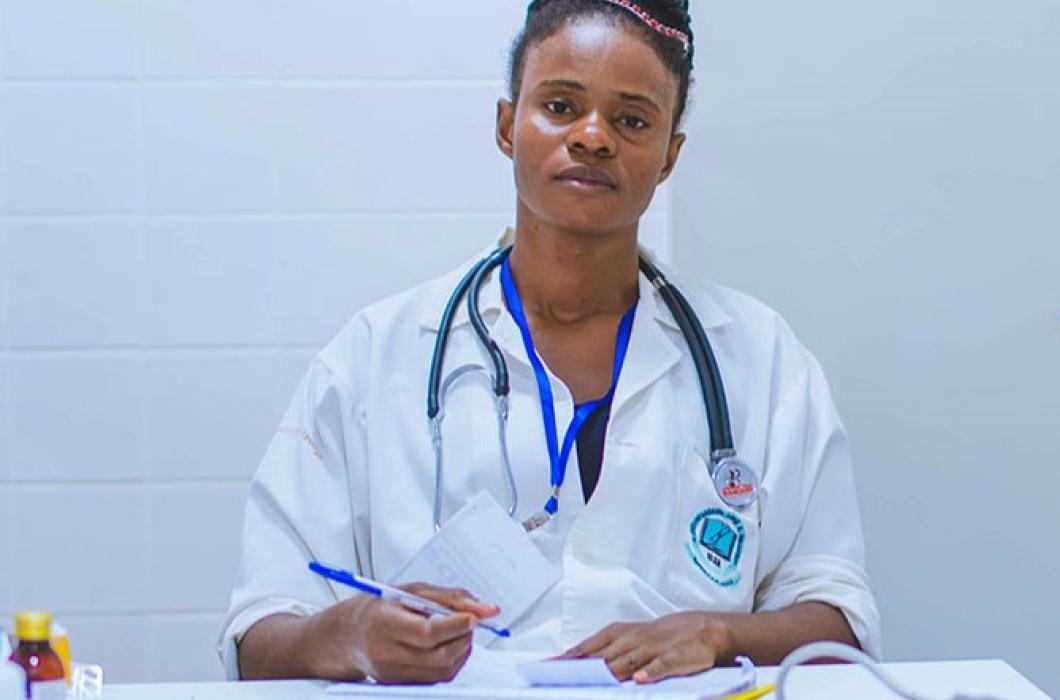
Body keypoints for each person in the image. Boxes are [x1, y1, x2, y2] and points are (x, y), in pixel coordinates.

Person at [219, 0, 880, 685]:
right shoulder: (374, 357)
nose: (593, 137)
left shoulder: (760, 358)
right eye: (561, 107)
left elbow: (841, 621)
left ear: (668, 156)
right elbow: (259, 633)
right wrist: (349, 636)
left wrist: (716, 633)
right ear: (508, 126)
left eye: (632, 119)